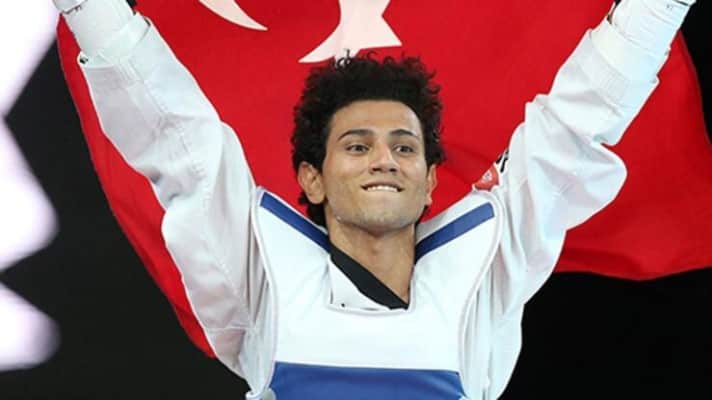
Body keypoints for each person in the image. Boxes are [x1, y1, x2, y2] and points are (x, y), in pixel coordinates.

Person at [53, 0, 696, 398]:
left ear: (430, 181)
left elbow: (574, 127)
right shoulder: (260, 277)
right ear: (311, 178)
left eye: (404, 147)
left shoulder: (484, 270)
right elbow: (175, 137)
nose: (384, 159)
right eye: (357, 145)